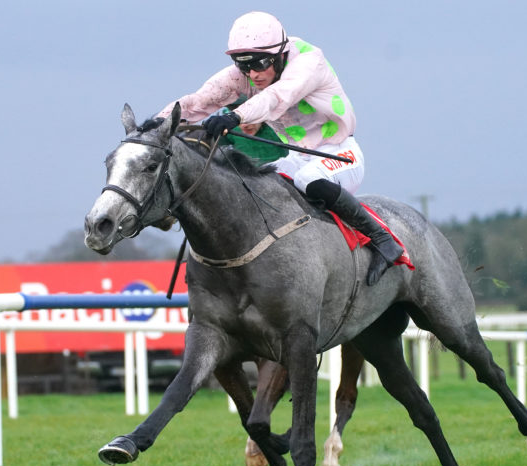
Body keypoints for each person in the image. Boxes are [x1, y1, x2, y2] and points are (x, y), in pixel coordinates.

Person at [156, 11, 402, 285]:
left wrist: (235, 116)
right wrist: (158, 123)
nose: (252, 74)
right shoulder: (250, 73)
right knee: (258, 185)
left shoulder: (308, 63)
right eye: (243, 66)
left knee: (308, 180)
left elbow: (276, 98)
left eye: (259, 64)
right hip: (297, 157)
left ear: (279, 55)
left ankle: (382, 239)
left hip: (339, 153)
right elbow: (199, 101)